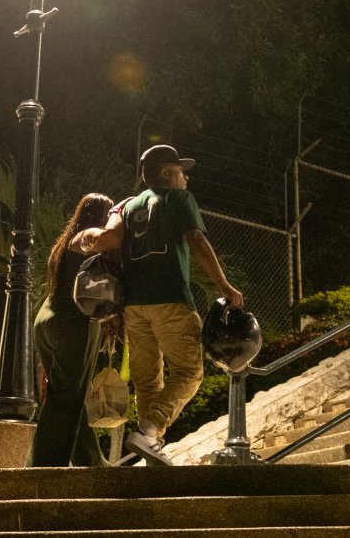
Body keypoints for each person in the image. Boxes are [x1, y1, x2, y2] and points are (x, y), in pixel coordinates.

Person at [107, 144, 244, 465]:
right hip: (170, 299)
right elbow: (197, 239)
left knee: (147, 383)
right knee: (189, 372)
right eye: (182, 172)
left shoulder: (129, 207)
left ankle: (150, 444)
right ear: (167, 173)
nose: (186, 179)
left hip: (134, 307)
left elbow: (117, 253)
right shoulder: (178, 198)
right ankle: (150, 429)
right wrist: (223, 285)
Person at [27, 192, 116, 467]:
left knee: (71, 393)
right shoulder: (87, 235)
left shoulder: (63, 244)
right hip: (72, 323)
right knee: (65, 396)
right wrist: (121, 222)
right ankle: (44, 465)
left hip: (48, 317)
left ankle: (89, 459)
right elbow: (108, 240)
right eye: (109, 214)